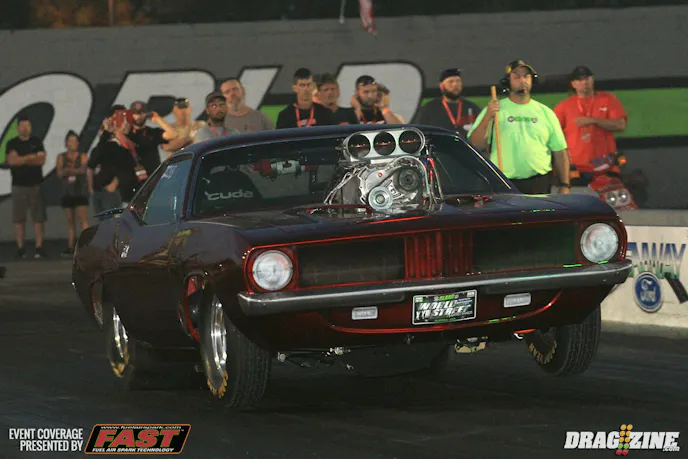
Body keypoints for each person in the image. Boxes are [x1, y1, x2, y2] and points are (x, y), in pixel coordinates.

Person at [468, 59, 571, 195]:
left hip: (539, 183)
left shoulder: (545, 112)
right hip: (504, 182)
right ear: (508, 82)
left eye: (526, 76)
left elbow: (560, 151)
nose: (522, 80)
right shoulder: (495, 109)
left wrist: (565, 184)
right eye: (516, 77)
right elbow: (475, 144)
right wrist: (488, 116)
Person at [553, 65, 628, 174]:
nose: (584, 82)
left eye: (587, 78)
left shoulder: (608, 99)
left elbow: (620, 125)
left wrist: (593, 120)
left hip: (605, 165)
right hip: (576, 168)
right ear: (573, 84)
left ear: (592, 79)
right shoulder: (563, 106)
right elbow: (552, 134)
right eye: (580, 80)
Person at [5, 114, 47, 259]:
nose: (25, 128)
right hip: (19, 185)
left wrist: (22, 158)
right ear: (18, 128)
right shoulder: (12, 143)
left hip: (35, 185)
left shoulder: (36, 142)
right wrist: (30, 157)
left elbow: (41, 160)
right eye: (22, 126)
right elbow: (12, 161)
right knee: (19, 219)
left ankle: (39, 247)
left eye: (27, 125)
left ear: (31, 127)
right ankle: (20, 248)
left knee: (38, 218)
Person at [412, 68, 481, 137]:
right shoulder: (429, 109)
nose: (455, 84)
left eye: (458, 81)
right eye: (450, 81)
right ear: (441, 86)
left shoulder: (472, 107)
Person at [56, 130, 89, 257]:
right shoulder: (61, 156)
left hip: (80, 191)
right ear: (66, 143)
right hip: (67, 192)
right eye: (70, 141)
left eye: (75, 141)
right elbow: (60, 173)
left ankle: (86, 246)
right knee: (70, 221)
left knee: (83, 219)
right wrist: (73, 171)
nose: (73, 143)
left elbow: (83, 169)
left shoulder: (83, 156)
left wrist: (68, 170)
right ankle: (71, 246)